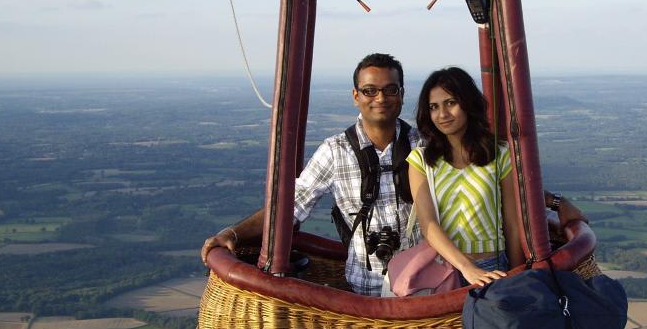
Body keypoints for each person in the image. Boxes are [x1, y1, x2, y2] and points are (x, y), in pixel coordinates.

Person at [201, 53, 419, 295]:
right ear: (355, 96)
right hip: (365, 292)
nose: (381, 98)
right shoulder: (336, 151)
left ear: (401, 94)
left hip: (421, 288)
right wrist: (232, 234)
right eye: (370, 90)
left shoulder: (423, 146)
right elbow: (289, 207)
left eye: (390, 89)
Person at [406, 67, 524, 288]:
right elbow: (428, 223)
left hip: (494, 268)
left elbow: (512, 221)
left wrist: (517, 273)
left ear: (468, 103)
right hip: (444, 269)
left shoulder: (500, 154)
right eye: (434, 107)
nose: (442, 114)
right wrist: (466, 267)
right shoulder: (421, 160)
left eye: (450, 103)